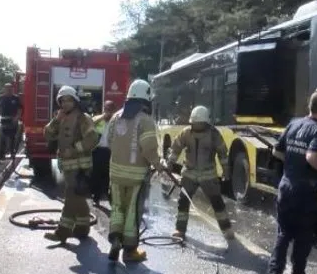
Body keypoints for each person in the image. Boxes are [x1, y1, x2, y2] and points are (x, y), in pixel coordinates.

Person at [265, 89, 317, 274]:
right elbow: (312, 157)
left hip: (286, 187)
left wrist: (291, 166)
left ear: (309, 107)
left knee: (283, 233)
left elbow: (277, 150)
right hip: (305, 191)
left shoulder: (294, 123)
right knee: (303, 235)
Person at [106, 79, 166, 262]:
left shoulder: (116, 117)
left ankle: (116, 239)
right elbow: (148, 148)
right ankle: (130, 250)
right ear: (146, 98)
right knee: (133, 210)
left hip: (115, 173)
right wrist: (158, 164)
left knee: (117, 207)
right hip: (136, 176)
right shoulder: (146, 121)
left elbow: (109, 141)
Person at [166, 105, 234, 241]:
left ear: (205, 122)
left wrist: (226, 170)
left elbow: (222, 153)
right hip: (189, 174)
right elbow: (176, 149)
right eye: (195, 123)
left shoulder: (214, 134)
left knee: (217, 202)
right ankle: (180, 229)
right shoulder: (186, 133)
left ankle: (227, 230)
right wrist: (170, 163)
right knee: (183, 203)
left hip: (208, 175)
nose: (196, 126)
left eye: (199, 123)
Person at [43, 86, 99, 243]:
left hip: (81, 167)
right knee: (78, 198)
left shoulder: (83, 118)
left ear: (75, 101)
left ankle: (62, 232)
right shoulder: (62, 118)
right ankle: (82, 228)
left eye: (69, 100)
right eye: (63, 101)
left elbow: (92, 139)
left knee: (71, 198)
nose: (65, 103)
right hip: (67, 167)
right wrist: (56, 120)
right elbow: (47, 134)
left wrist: (74, 150)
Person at [90, 100, 116, 205]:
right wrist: (103, 117)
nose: (108, 112)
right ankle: (96, 197)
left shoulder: (116, 121)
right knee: (96, 175)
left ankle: (109, 197)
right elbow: (90, 123)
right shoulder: (98, 119)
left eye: (110, 110)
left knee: (109, 176)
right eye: (106, 109)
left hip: (110, 152)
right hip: (97, 151)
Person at [0, 83, 23, 159]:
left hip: (13, 120)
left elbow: (20, 109)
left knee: (12, 138)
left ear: (12, 89)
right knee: (2, 138)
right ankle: (2, 155)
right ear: (4, 89)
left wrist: (17, 117)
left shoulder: (16, 98)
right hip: (3, 120)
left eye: (10, 88)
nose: (9, 90)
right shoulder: (1, 98)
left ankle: (12, 153)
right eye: (7, 88)